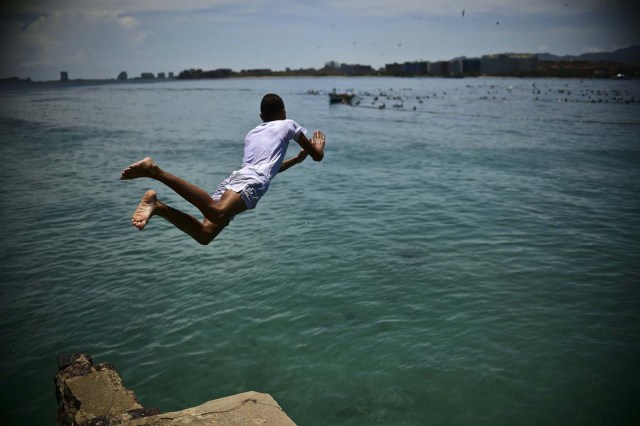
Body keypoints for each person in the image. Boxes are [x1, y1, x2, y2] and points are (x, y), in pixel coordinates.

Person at [120, 93, 325, 245]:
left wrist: (297, 160)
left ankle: (158, 207)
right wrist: (317, 148)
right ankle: (155, 172)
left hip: (238, 178)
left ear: (261, 116)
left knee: (205, 234)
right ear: (284, 112)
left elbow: (268, 168)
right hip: (250, 183)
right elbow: (317, 156)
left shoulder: (253, 134)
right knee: (216, 213)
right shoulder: (288, 124)